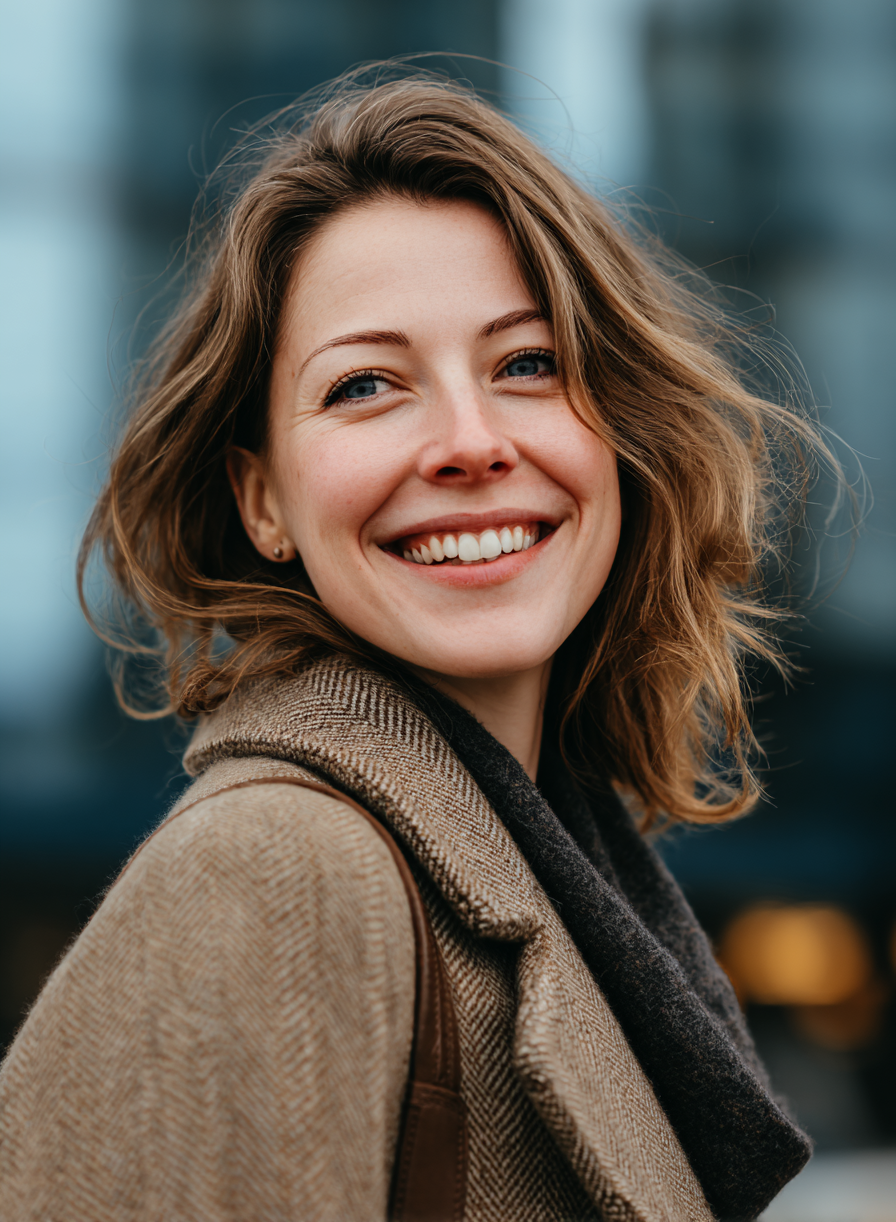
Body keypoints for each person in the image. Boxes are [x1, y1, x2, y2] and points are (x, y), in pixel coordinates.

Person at [0, 71, 819, 1221]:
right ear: (263, 501)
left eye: (526, 363)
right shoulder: (277, 870)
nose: (469, 442)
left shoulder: (563, 877)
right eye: (366, 385)